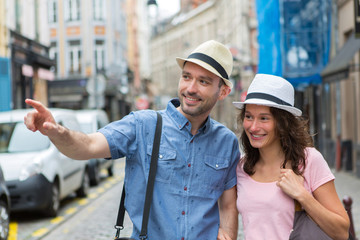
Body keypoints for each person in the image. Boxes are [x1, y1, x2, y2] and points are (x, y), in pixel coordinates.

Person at [24, 40, 240, 240]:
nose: (191, 88)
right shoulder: (142, 125)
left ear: (223, 91)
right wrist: (56, 132)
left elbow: (228, 205)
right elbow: (87, 146)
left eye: (203, 81)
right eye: (186, 76)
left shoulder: (227, 142)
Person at [232, 74, 350, 240]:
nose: (253, 127)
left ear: (283, 122)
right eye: (249, 116)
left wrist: (302, 195)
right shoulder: (241, 167)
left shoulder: (308, 160)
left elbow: (342, 232)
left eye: (264, 118)